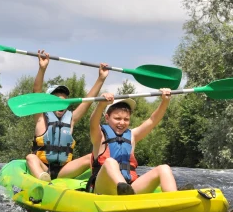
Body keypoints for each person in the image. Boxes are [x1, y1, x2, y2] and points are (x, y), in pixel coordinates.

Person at [26, 50, 109, 181]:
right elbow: (36, 92)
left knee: (91, 157)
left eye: (64, 101)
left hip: (64, 170)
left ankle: (96, 183)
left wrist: (101, 78)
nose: (61, 104)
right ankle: (42, 181)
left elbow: (87, 101)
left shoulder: (71, 119)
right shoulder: (41, 118)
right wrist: (42, 69)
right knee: (30, 157)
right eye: (57, 100)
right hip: (43, 167)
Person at [87, 89, 177, 195]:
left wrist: (165, 101)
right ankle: (123, 189)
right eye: (117, 118)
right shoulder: (99, 136)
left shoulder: (132, 136)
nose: (122, 122)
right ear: (107, 118)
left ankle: (175, 199)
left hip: (130, 186)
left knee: (164, 168)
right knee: (110, 162)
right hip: (104, 188)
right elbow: (93, 122)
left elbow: (152, 120)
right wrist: (101, 105)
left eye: (126, 119)